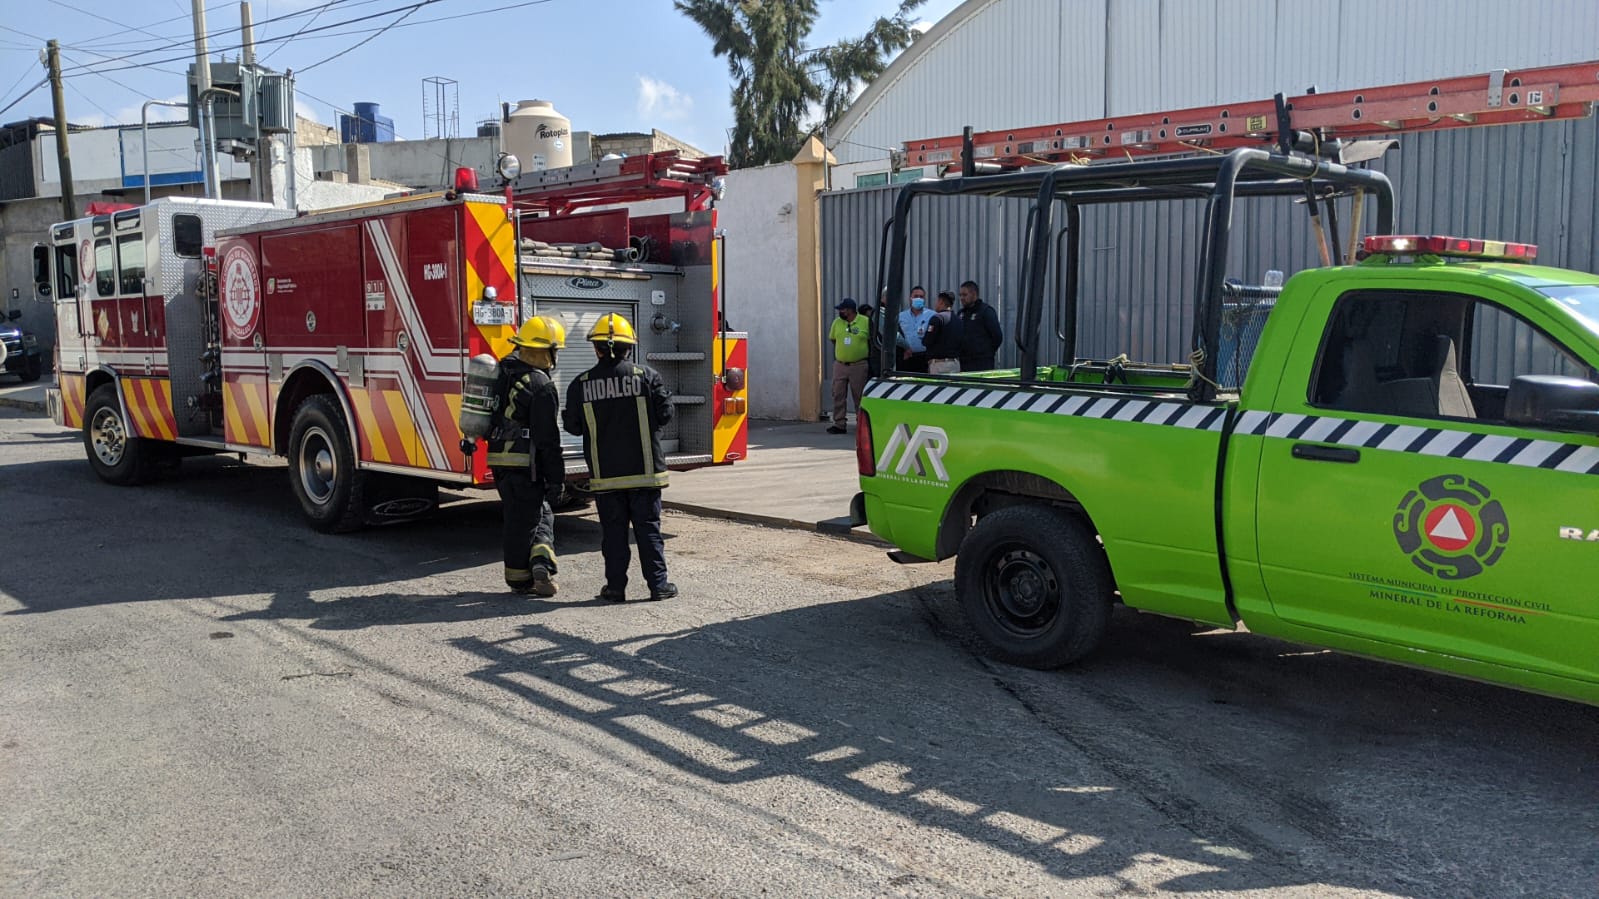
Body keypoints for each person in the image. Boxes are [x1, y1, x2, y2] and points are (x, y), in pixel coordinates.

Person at [563, 313, 677, 602]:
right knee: (648, 532)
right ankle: (659, 586)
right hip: (646, 473)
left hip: (606, 478)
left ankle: (615, 588)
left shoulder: (581, 384)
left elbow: (573, 426)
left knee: (613, 536)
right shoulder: (648, 377)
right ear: (630, 348)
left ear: (596, 348)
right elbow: (665, 414)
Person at [486, 315, 567, 597]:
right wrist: (557, 479)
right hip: (525, 465)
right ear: (545, 351)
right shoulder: (541, 386)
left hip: (499, 460)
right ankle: (520, 579)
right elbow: (548, 440)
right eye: (554, 351)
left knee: (534, 515)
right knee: (523, 522)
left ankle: (541, 561)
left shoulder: (504, 370)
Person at [827, 298, 870, 435]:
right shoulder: (837, 322)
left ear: (851, 310)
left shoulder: (865, 321)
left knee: (859, 395)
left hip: (858, 365)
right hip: (840, 365)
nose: (840, 311)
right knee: (838, 394)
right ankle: (839, 424)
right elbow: (833, 339)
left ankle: (861, 425)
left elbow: (871, 340)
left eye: (843, 309)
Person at [955, 279, 1003, 371]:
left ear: (974, 294)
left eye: (965, 295)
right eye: (960, 295)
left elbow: (997, 336)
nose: (961, 298)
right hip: (964, 362)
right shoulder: (961, 314)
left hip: (982, 363)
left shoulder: (986, 311)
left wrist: (985, 352)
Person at [896, 285, 932, 373]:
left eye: (921, 296)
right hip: (906, 357)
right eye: (916, 296)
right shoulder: (901, 316)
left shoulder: (932, 315)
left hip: (925, 358)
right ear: (910, 298)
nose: (918, 298)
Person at [924, 290, 961, 375]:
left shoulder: (937, 318)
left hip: (939, 365)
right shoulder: (958, 320)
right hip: (955, 364)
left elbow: (927, 341)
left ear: (941, 302)